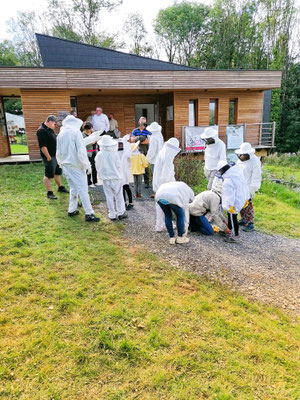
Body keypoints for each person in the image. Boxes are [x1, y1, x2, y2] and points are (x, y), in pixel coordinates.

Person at [56, 115, 100, 222]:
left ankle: (72, 209)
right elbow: (81, 151)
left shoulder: (60, 134)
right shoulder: (75, 133)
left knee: (73, 188)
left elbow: (58, 152)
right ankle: (89, 213)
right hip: (76, 166)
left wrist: (61, 164)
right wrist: (87, 165)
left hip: (66, 165)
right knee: (83, 190)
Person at [95, 135, 127, 221]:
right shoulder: (114, 154)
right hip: (116, 177)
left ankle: (112, 214)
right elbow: (118, 166)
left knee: (109, 196)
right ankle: (121, 212)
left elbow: (97, 166)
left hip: (106, 179)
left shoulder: (99, 154)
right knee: (119, 195)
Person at [36, 115, 69, 200]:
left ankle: (60, 187)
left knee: (57, 172)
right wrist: (48, 157)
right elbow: (42, 146)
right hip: (49, 156)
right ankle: (49, 192)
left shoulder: (50, 129)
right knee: (48, 174)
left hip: (56, 155)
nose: (55, 126)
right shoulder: (41, 131)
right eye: (55, 124)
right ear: (50, 121)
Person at [216, 160, 249, 243]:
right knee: (232, 217)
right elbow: (245, 186)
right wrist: (246, 199)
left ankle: (235, 236)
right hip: (240, 200)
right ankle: (230, 231)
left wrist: (229, 205)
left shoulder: (228, 181)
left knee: (232, 219)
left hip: (233, 204)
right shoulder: (237, 174)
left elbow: (228, 196)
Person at [152, 137, 181, 232]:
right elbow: (166, 175)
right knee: (165, 206)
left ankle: (159, 225)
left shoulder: (162, 152)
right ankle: (163, 225)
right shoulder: (167, 156)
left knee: (159, 205)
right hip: (165, 185)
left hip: (158, 183)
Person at [235, 142, 262, 232]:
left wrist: (252, 190)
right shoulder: (240, 160)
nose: (241, 157)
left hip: (249, 187)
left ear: (248, 154)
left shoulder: (255, 161)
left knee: (248, 205)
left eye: (243, 155)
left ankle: (251, 223)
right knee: (240, 204)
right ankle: (243, 219)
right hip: (240, 185)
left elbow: (256, 177)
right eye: (240, 155)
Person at [131, 117, 152, 188]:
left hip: (145, 150)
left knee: (145, 166)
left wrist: (137, 139)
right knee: (135, 167)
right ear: (139, 122)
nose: (143, 124)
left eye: (144, 123)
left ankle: (147, 183)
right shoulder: (135, 130)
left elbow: (148, 141)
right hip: (136, 151)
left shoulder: (148, 131)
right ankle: (135, 183)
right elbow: (132, 140)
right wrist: (142, 138)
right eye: (141, 122)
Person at [118, 134, 134, 210]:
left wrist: (127, 146)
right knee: (121, 188)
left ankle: (131, 202)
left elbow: (129, 155)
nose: (120, 146)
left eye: (121, 145)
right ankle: (123, 202)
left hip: (125, 172)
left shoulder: (126, 152)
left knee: (126, 186)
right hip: (119, 173)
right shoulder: (116, 152)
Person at [81, 121, 98, 187]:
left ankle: (95, 181)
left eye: (91, 128)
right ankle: (89, 182)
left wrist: (97, 141)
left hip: (95, 152)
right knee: (89, 167)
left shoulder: (93, 133)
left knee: (95, 167)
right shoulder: (83, 135)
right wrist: (91, 143)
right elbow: (83, 144)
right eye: (89, 129)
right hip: (88, 153)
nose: (91, 130)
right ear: (86, 129)